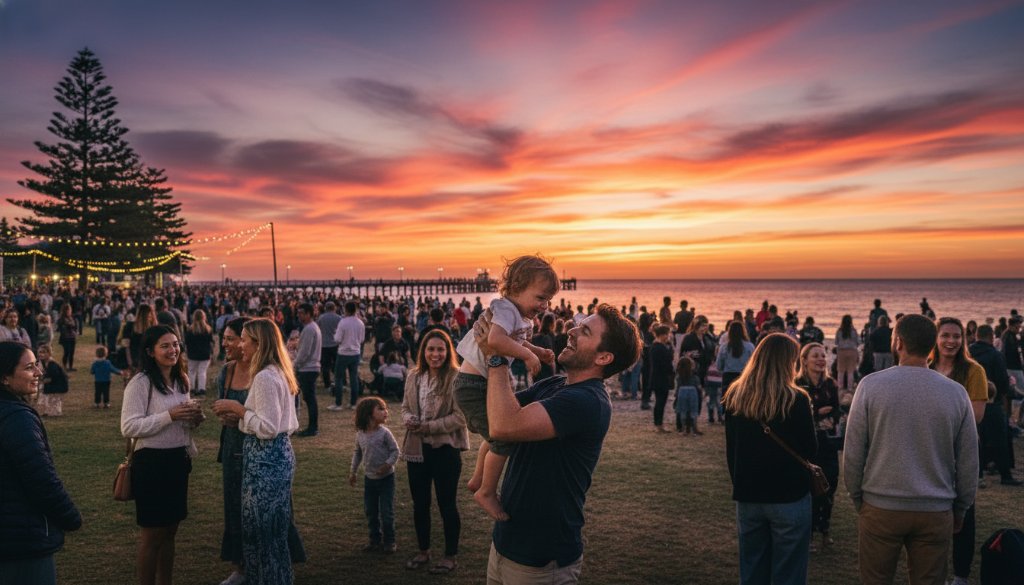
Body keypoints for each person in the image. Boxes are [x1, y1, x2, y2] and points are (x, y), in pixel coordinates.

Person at [474, 303, 641, 585]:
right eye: (579, 324)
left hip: (541, 561)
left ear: (604, 357)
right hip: (506, 543)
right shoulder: (555, 386)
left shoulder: (587, 402)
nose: (572, 330)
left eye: (585, 331)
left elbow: (504, 426)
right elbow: (494, 412)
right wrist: (496, 337)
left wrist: (497, 356)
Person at [844, 314, 978, 585]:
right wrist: (961, 507)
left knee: (875, 579)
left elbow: (853, 452)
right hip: (935, 508)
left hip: (881, 505)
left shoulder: (870, 386)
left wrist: (857, 496)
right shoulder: (956, 393)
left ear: (898, 343)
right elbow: (968, 460)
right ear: (932, 346)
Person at [454, 255, 557, 521]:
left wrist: (537, 351)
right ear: (515, 288)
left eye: (548, 300)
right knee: (505, 437)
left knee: (496, 435)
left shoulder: (521, 317)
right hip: (472, 385)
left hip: (482, 383)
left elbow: (516, 341)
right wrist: (528, 357)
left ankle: (478, 480)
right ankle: (487, 491)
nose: (544, 305)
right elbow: (497, 340)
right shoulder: (505, 309)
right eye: (540, 298)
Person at [212, 318, 304, 585]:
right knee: (274, 532)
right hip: (278, 455)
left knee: (261, 533)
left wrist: (239, 410)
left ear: (258, 343)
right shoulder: (278, 371)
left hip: (265, 458)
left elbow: (267, 428)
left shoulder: (264, 377)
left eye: (244, 339)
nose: (241, 344)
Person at [723, 333, 816, 585]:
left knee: (752, 570)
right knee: (789, 572)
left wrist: (739, 483)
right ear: (788, 362)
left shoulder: (735, 396)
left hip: (748, 495)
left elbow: (732, 448)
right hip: (789, 496)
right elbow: (810, 449)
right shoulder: (796, 399)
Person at [120, 324, 204, 585]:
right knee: (152, 535)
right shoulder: (141, 383)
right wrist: (171, 415)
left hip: (178, 462)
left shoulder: (181, 380)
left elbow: (182, 420)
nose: (172, 350)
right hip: (152, 464)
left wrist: (194, 418)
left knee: (170, 532)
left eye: (175, 344)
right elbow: (129, 427)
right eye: (165, 346)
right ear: (150, 351)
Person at [0, 341, 82, 584]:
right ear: (5, 377)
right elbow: (41, 479)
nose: (39, 372)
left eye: (37, 365)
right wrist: (71, 518)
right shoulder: (17, 418)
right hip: (21, 542)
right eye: (29, 368)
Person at [928, 317, 991, 585]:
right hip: (929, 449)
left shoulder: (974, 372)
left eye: (956, 336)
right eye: (945, 336)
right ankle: (934, 569)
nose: (951, 341)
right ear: (935, 338)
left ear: (963, 339)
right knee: (932, 513)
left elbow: (976, 416)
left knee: (962, 512)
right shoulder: (925, 368)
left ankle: (961, 575)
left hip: (961, 450)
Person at [400, 329, 469, 575]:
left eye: (440, 349)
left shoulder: (457, 377)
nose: (435, 354)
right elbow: (405, 407)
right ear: (423, 352)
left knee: (446, 504)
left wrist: (428, 427)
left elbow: (460, 417)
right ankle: (423, 550)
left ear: (448, 351)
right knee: (420, 503)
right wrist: (409, 419)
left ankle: (450, 556)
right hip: (417, 449)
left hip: (446, 450)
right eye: (431, 349)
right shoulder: (413, 376)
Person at [214, 317, 251, 585]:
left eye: (230, 338)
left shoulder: (265, 374)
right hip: (231, 448)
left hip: (258, 449)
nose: (224, 343)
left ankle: (265, 562)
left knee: (258, 510)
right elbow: (221, 405)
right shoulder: (225, 372)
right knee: (234, 506)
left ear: (246, 340)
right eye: (224, 338)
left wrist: (239, 416)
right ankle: (239, 566)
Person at [795, 342, 840, 553]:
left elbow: (837, 411)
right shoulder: (797, 385)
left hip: (828, 443)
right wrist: (819, 414)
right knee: (810, 490)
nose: (821, 359)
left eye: (823, 355)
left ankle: (825, 530)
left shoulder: (830, 385)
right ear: (804, 360)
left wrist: (831, 416)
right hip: (806, 445)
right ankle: (810, 533)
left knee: (829, 486)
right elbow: (794, 417)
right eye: (816, 356)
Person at [969, 324, 1020, 485]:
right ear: (991, 337)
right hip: (992, 402)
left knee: (977, 440)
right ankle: (1005, 475)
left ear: (977, 335)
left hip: (971, 402)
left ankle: (978, 473)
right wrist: (1004, 392)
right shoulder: (995, 355)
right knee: (1000, 440)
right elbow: (1003, 381)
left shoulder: (967, 353)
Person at [349, 396, 400, 554]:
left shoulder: (385, 433)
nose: (386, 412)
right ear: (369, 414)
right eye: (381, 409)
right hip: (369, 479)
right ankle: (374, 541)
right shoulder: (361, 434)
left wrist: (387, 465)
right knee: (371, 511)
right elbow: (358, 453)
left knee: (386, 512)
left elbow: (395, 451)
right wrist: (353, 472)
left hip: (386, 479)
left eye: (385, 408)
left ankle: (389, 542)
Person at [328, 301, 365, 411]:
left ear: (346, 309)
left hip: (343, 352)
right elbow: (362, 339)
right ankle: (353, 403)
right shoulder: (360, 323)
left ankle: (338, 403)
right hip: (356, 353)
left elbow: (337, 339)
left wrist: (336, 335)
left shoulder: (343, 322)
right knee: (353, 378)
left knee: (338, 378)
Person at [293, 303, 322, 437]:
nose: (299, 315)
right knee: (309, 398)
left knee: (309, 399)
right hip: (311, 367)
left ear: (309, 314)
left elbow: (304, 352)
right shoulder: (312, 327)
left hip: (307, 368)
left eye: (301, 313)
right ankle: (312, 427)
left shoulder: (309, 329)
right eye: (298, 313)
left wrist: (295, 365)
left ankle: (313, 428)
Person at [649, 324, 676, 432]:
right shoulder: (658, 347)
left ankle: (659, 424)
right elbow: (666, 362)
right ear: (663, 335)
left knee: (660, 401)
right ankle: (658, 425)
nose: (669, 336)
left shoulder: (658, 346)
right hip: (660, 378)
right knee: (660, 402)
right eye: (668, 334)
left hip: (658, 377)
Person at [184, 309, 215, 396]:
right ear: (204, 317)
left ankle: (192, 388)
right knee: (202, 372)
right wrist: (212, 354)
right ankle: (202, 389)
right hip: (205, 354)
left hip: (192, 354)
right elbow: (211, 343)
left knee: (191, 372)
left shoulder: (190, 329)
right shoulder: (208, 329)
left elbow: (186, 342)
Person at [37, 344, 68, 417]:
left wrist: (40, 382)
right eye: (40, 352)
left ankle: (55, 413)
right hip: (53, 386)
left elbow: (51, 378)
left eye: (44, 352)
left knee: (54, 401)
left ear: (49, 353)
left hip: (57, 386)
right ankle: (49, 412)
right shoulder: (44, 363)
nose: (41, 354)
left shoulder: (52, 364)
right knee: (49, 400)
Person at [673, 356, 702, 435]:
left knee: (683, 411)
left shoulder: (679, 376)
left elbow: (677, 387)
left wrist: (676, 395)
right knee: (693, 411)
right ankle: (694, 428)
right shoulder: (695, 376)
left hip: (682, 391)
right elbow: (698, 386)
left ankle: (684, 429)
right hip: (693, 391)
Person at [834, 314, 859, 391]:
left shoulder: (839, 331)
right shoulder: (853, 331)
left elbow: (836, 342)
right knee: (850, 371)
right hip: (852, 351)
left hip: (841, 351)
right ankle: (850, 388)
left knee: (841, 371)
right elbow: (858, 342)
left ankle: (840, 387)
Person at [56, 304, 78, 371]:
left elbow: (75, 326)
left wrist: (74, 330)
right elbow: (61, 329)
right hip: (66, 338)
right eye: (68, 310)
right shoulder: (62, 319)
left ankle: (70, 367)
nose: (70, 311)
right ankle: (64, 367)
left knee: (72, 352)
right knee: (67, 352)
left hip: (72, 337)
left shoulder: (72, 318)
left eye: (70, 310)